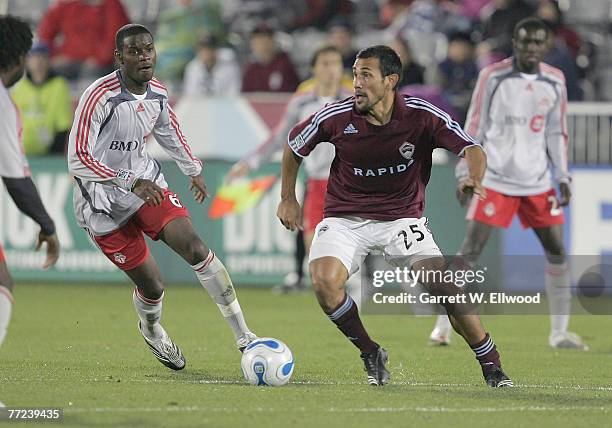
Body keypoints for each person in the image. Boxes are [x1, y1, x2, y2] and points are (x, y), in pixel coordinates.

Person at [277, 44, 513, 387]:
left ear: (391, 81)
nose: (356, 83)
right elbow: (295, 145)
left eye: (366, 75)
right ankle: (370, 352)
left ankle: (491, 362)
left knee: (445, 287)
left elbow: (471, 147)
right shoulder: (337, 115)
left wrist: (472, 177)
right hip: (345, 219)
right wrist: (288, 197)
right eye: (355, 74)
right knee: (324, 283)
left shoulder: (421, 115)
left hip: (402, 221)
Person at [67, 24, 257, 370]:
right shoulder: (98, 97)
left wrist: (192, 168)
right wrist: (128, 181)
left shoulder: (156, 92)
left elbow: (168, 130)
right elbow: (77, 158)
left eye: (148, 49)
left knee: (196, 247)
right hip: (102, 205)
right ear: (119, 57)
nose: (144, 57)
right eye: (135, 51)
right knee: (153, 285)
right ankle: (152, 330)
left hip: (147, 188)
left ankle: (246, 337)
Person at [429, 18, 587, 350]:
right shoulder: (493, 76)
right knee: (470, 249)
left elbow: (557, 132)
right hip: (496, 178)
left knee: (557, 251)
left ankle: (559, 333)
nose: (531, 47)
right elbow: (474, 125)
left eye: (537, 42)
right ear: (515, 42)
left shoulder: (555, 80)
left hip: (537, 181)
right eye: (525, 41)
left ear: (546, 46)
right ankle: (443, 324)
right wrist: (465, 173)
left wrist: (563, 175)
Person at [228, 45, 350, 292]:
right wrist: (249, 162)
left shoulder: (352, 100)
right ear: (314, 68)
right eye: (325, 63)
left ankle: (360, 284)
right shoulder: (302, 102)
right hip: (317, 182)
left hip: (350, 182)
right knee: (316, 251)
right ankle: (312, 283)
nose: (331, 70)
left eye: (335, 63)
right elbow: (279, 137)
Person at [0, 16, 60, 348]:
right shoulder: (3, 105)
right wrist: (47, 225)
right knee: (2, 280)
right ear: (20, 58)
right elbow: (16, 180)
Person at [37, 0, 130, 80]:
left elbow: (115, 37)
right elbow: (45, 33)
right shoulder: (67, 6)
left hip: (98, 64)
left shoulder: (112, 5)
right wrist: (54, 56)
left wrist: (100, 59)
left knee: (91, 74)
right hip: (69, 61)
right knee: (48, 70)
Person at [11, 42, 72, 155]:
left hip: (49, 153)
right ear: (27, 62)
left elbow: (63, 125)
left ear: (49, 62)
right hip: (21, 154)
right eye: (34, 57)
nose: (38, 62)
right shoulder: (19, 88)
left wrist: (53, 157)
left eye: (42, 57)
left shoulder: (59, 86)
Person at [241, 23, 300, 93]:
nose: (262, 46)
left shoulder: (285, 63)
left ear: (273, 41)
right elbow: (245, 95)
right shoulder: (251, 68)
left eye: (265, 41)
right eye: (258, 41)